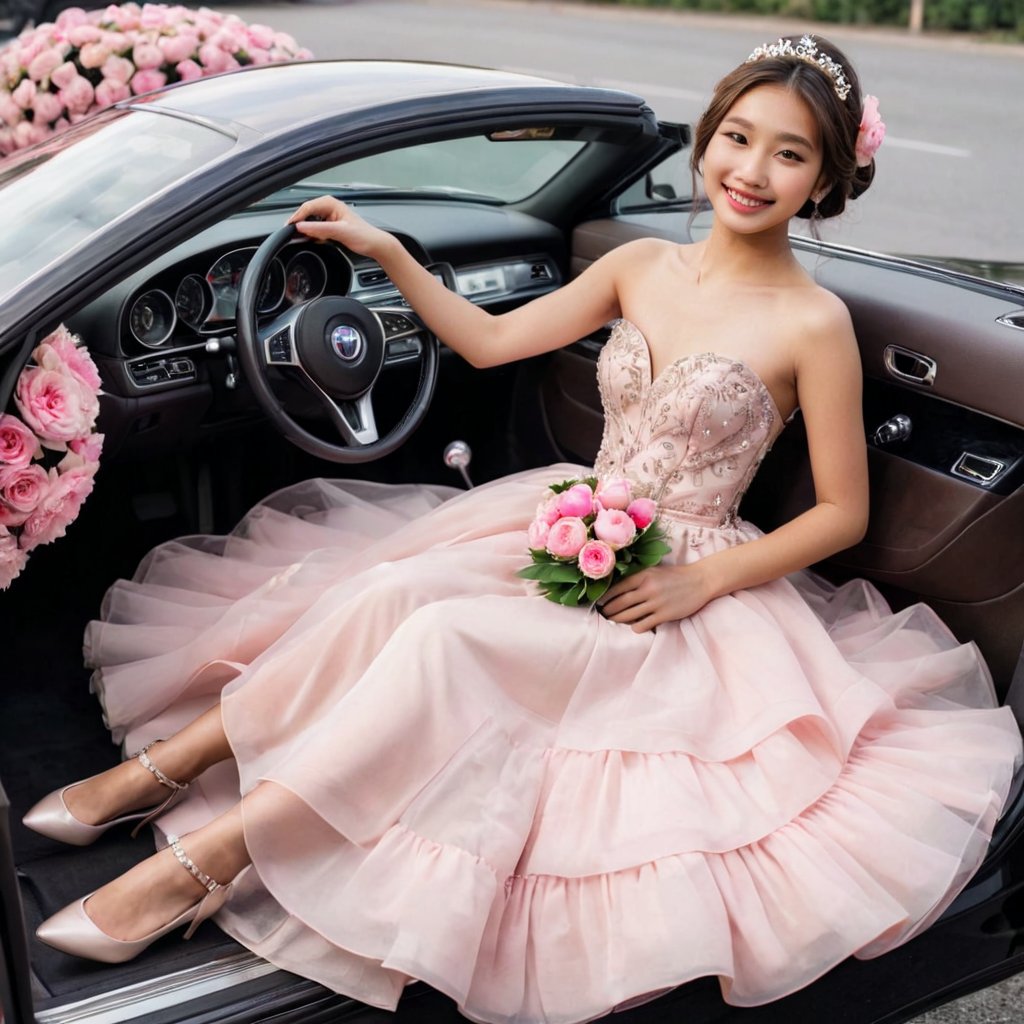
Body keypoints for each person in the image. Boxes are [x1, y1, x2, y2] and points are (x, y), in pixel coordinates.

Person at [23, 34, 1022, 1024]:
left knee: (443, 641)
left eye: (789, 152)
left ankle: (207, 861)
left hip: (685, 582)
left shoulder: (812, 323)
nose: (751, 170)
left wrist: (699, 582)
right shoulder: (640, 265)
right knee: (386, 592)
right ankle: (157, 772)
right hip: (566, 514)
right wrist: (385, 252)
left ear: (825, 179)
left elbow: (841, 511)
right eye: (737, 136)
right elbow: (493, 339)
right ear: (707, 138)